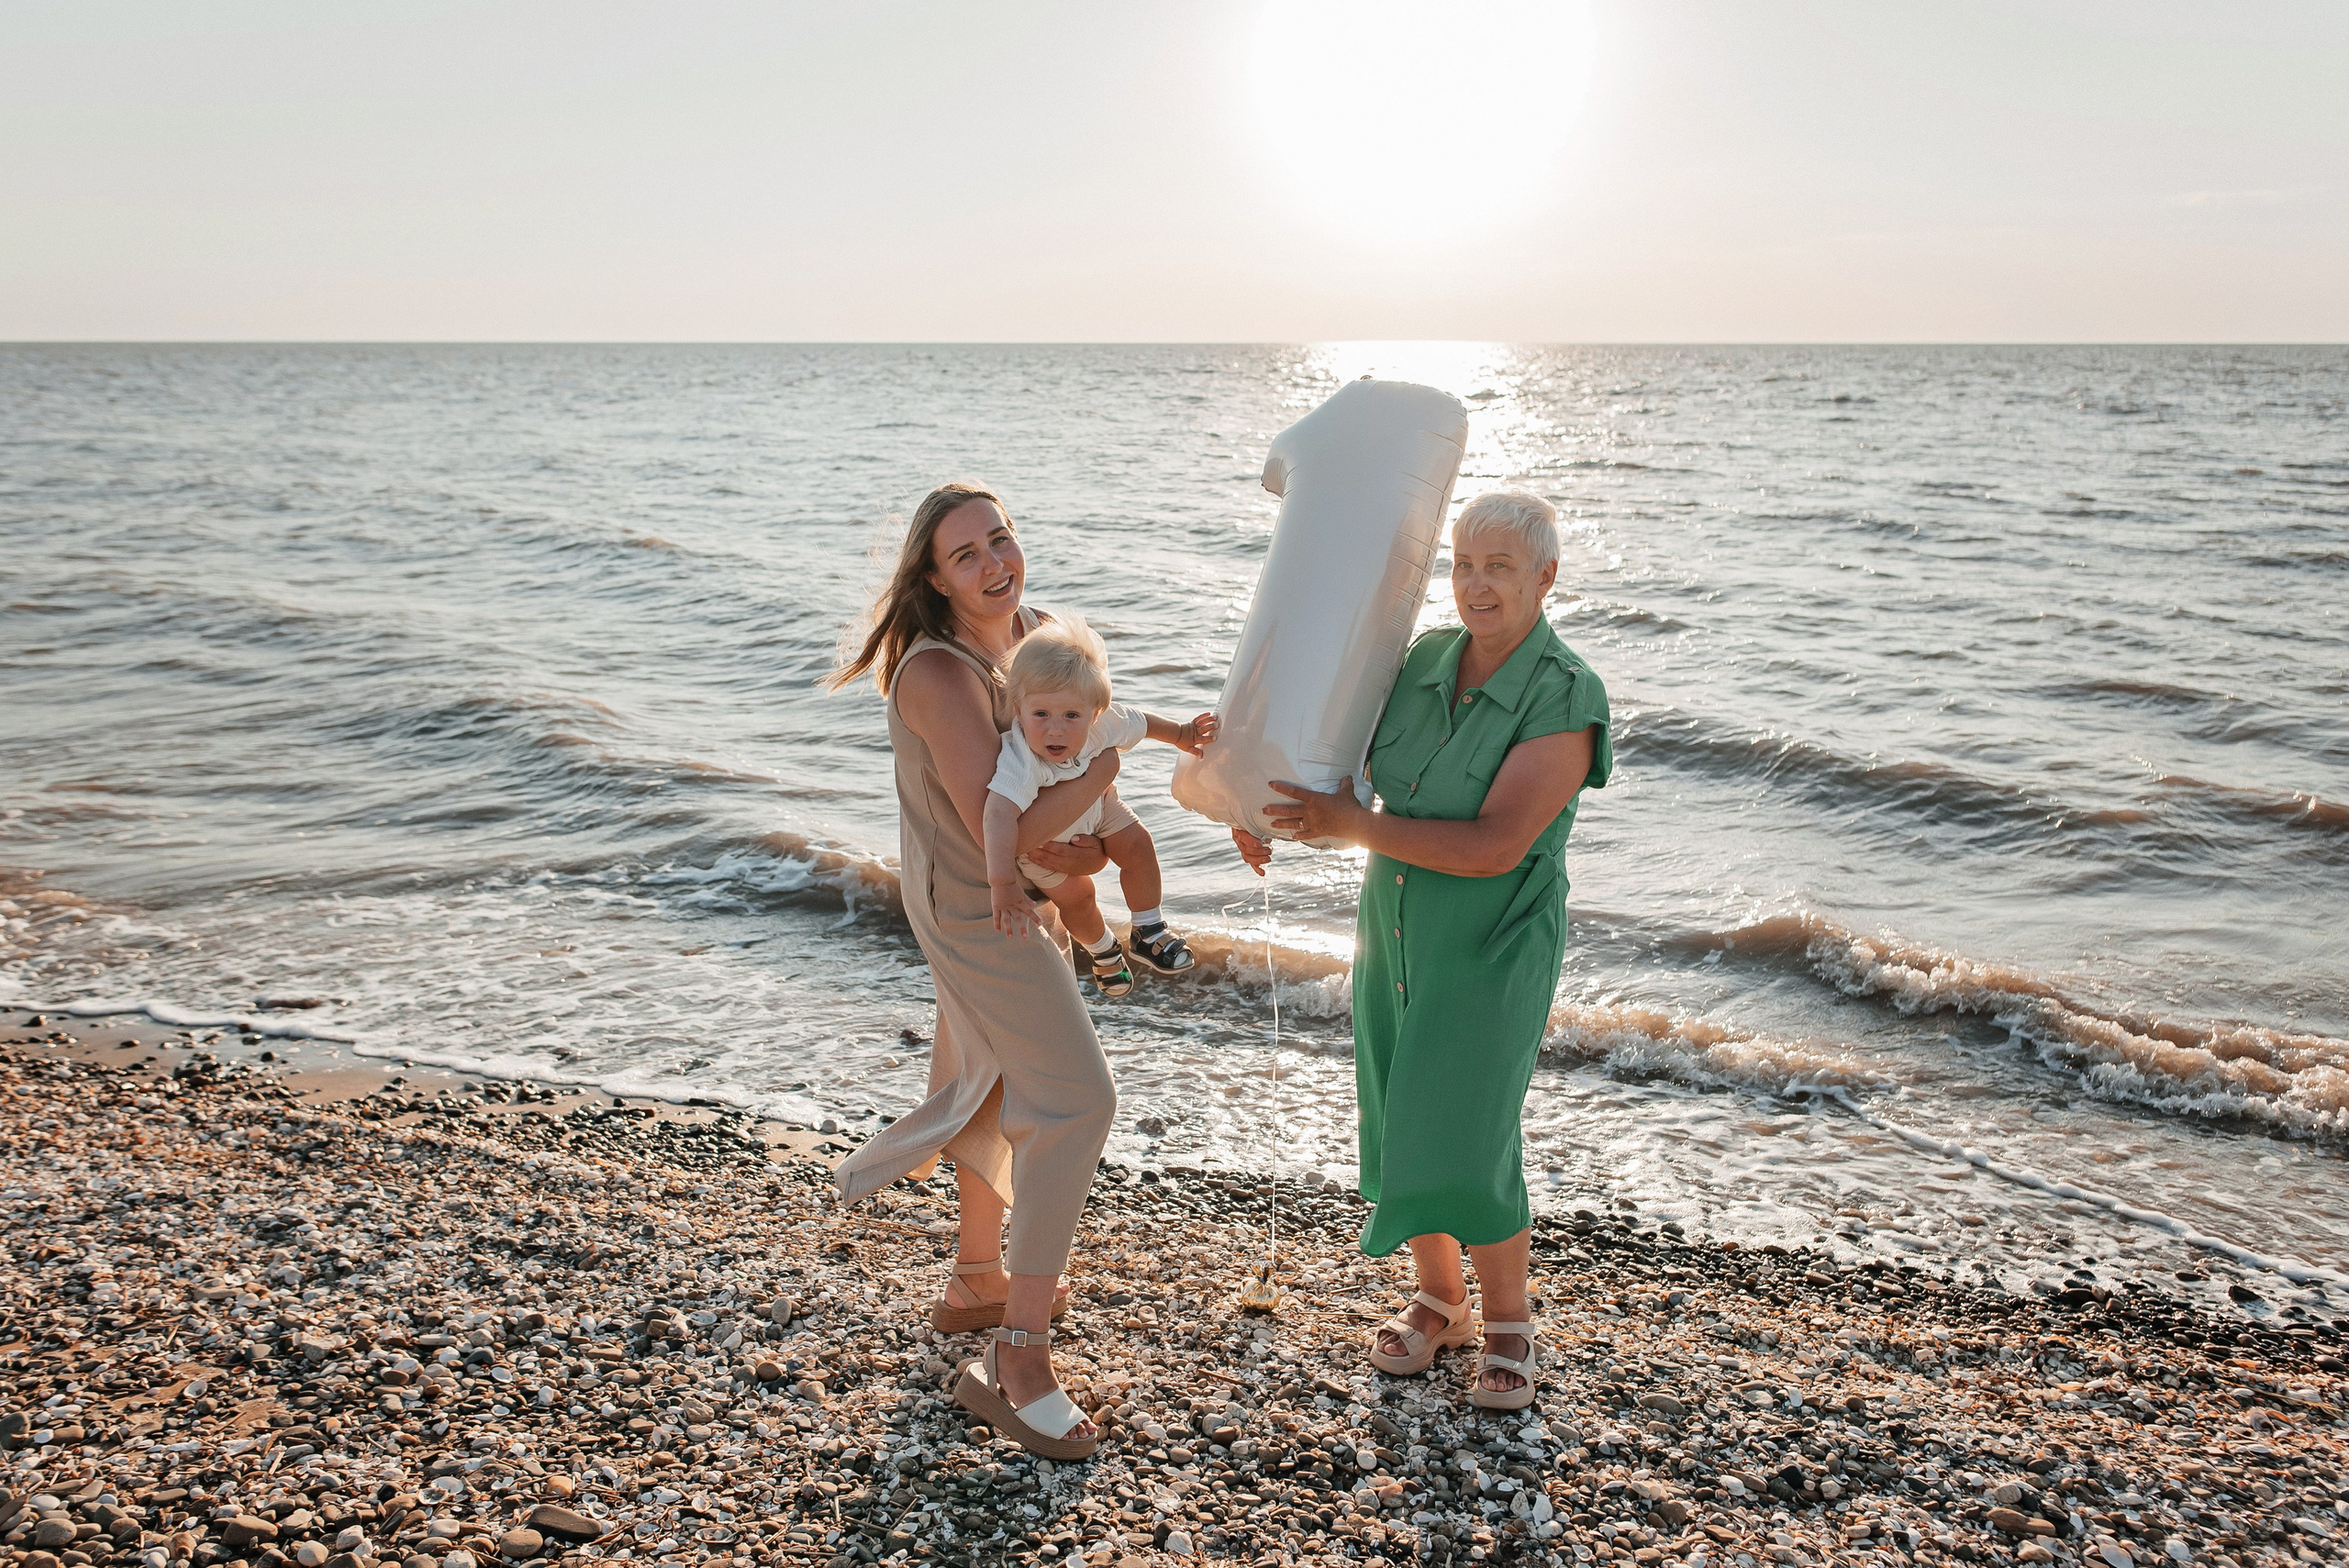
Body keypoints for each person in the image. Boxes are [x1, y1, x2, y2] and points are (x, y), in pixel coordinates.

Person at [1232, 490, 1611, 1409]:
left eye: (1500, 568)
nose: (1475, 586)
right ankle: (1441, 1295)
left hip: (1492, 937)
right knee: (1399, 1108)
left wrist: (1351, 823)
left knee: (1471, 1128)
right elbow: (1338, 763)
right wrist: (1256, 803)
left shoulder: (1566, 692)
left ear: (1547, 578)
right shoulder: (1421, 660)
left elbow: (1492, 847)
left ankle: (1510, 1318)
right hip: (1392, 921)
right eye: (1463, 564)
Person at [828, 481, 1114, 1459]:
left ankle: (977, 1278)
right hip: (975, 904)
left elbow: (1072, 742)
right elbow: (998, 822)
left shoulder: (1034, 632)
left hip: (1016, 887)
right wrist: (1090, 819)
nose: (995, 561)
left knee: (988, 1077)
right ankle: (1017, 1358)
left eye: (1001, 537)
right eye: (966, 554)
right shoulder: (936, 676)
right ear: (934, 578)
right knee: (1076, 1101)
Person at [985, 614, 1216, 994]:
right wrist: (1003, 883)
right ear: (1018, 708)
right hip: (1048, 842)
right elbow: (997, 814)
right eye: (1040, 714)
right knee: (1080, 898)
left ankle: (1148, 928)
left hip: (1100, 808)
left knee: (1139, 844)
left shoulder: (1105, 725)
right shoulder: (1021, 757)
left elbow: (1141, 721)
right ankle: (1103, 951)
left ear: (1095, 713)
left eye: (1071, 716)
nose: (1055, 729)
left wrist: (1183, 734)